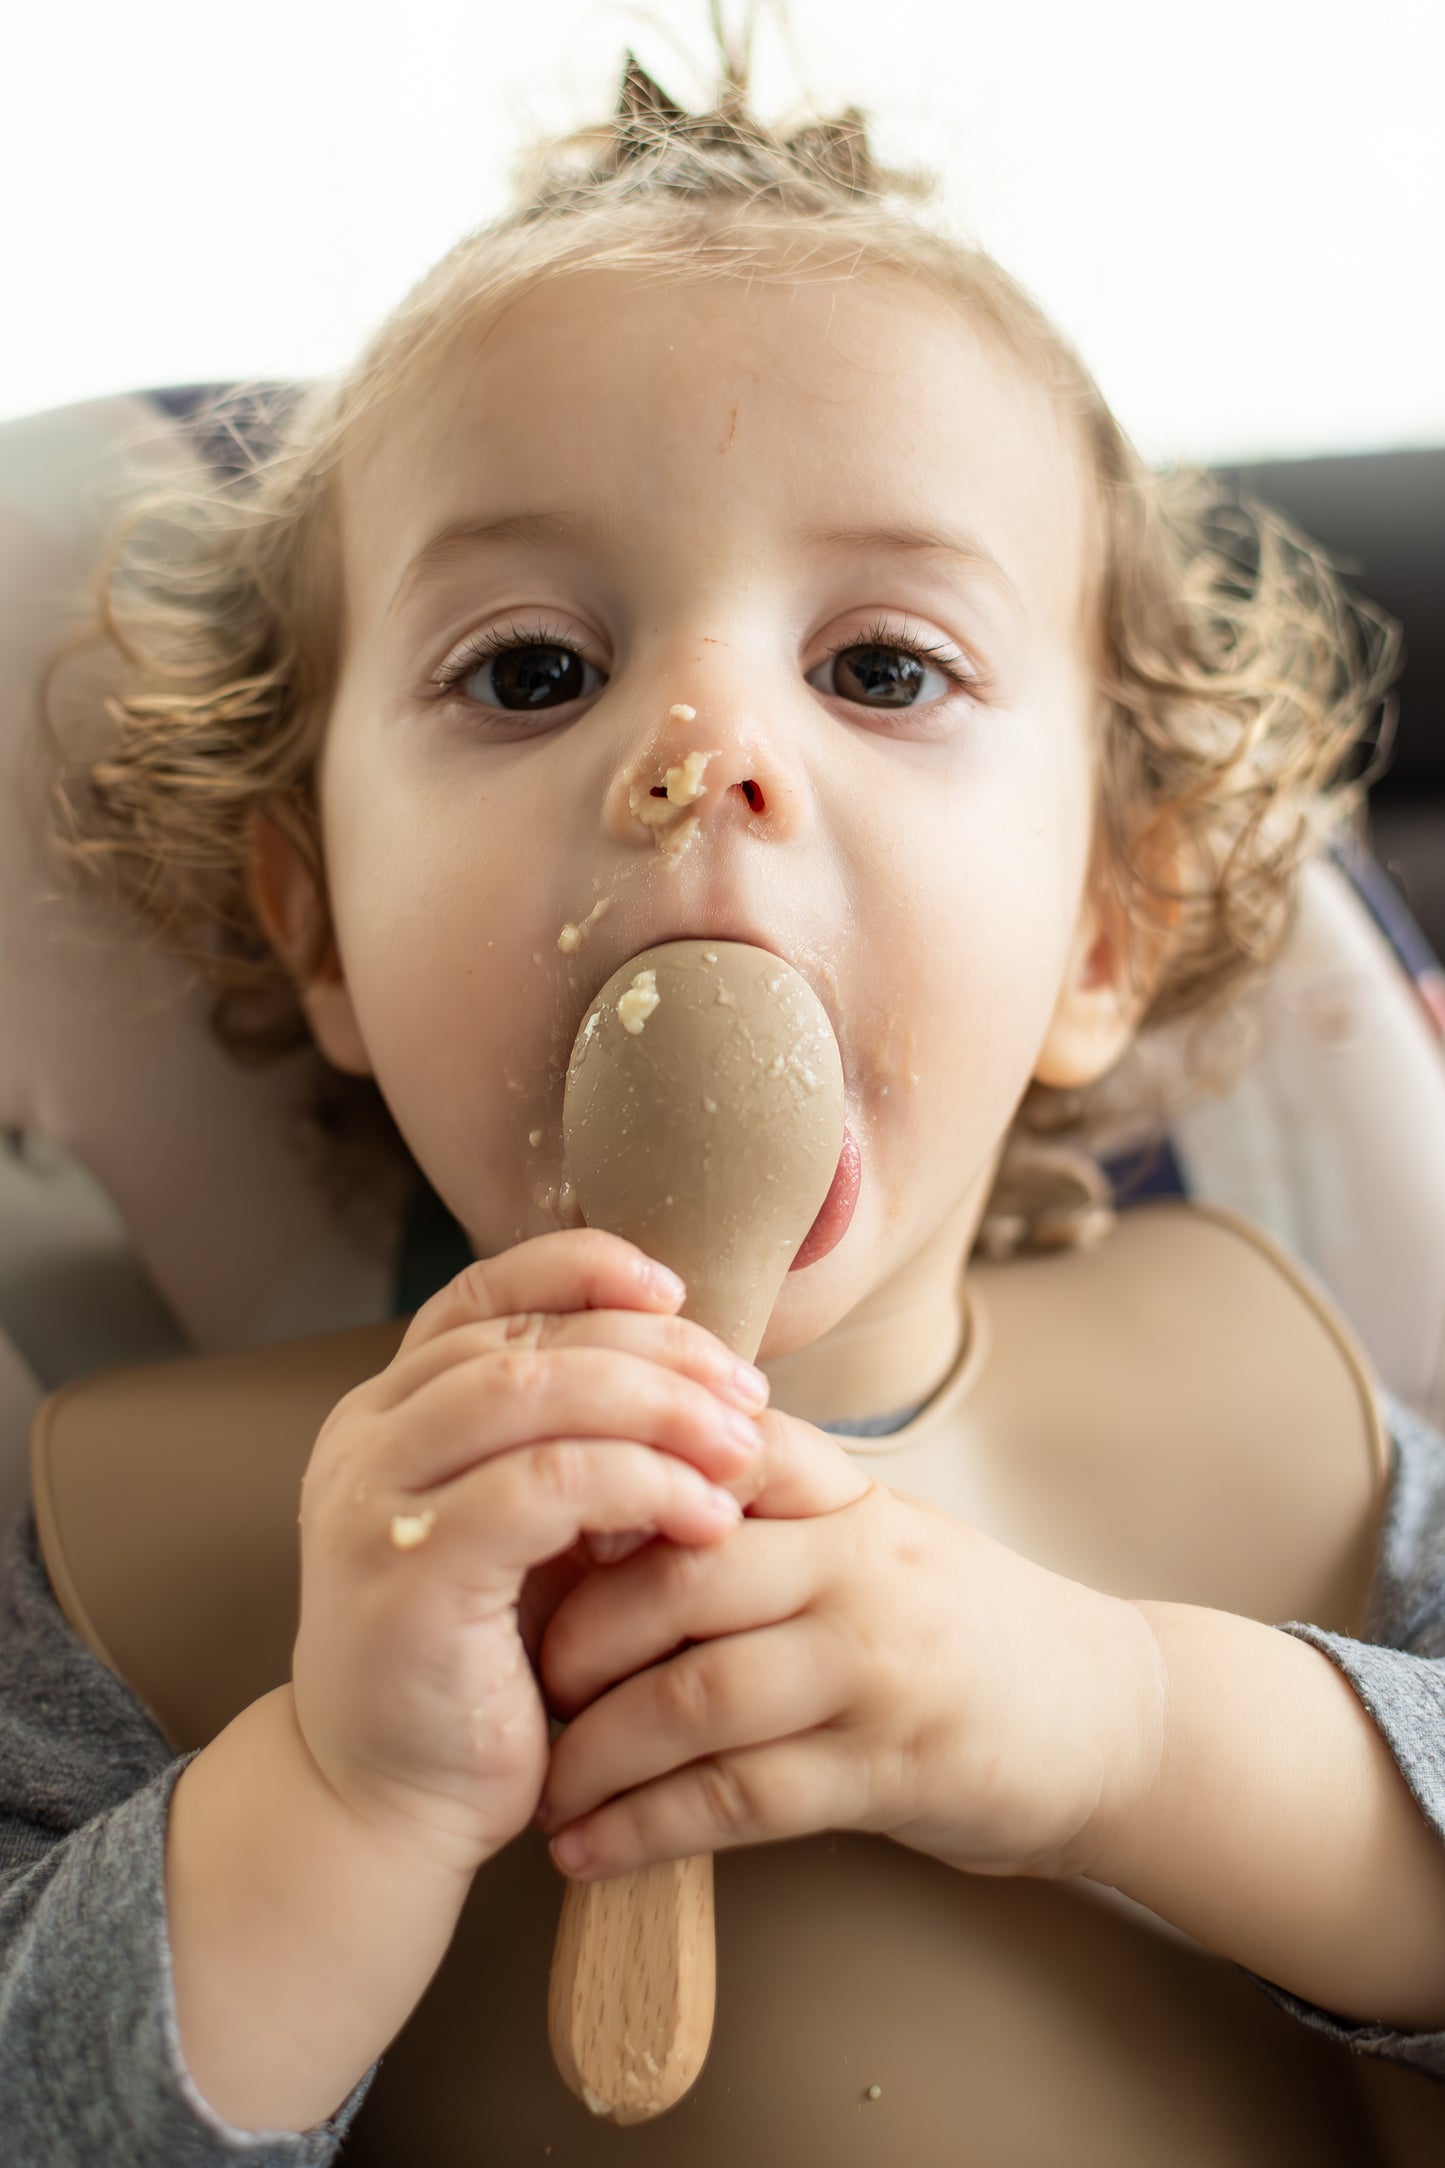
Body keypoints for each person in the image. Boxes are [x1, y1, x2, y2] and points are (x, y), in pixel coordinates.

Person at [4, 15, 1444, 2163]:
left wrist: (1132, 1732)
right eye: (533, 672)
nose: (700, 743)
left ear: (1105, 929)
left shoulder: (1274, 1409)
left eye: (880, 668)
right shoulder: (145, 1539)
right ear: (316, 922)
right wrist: (338, 1798)